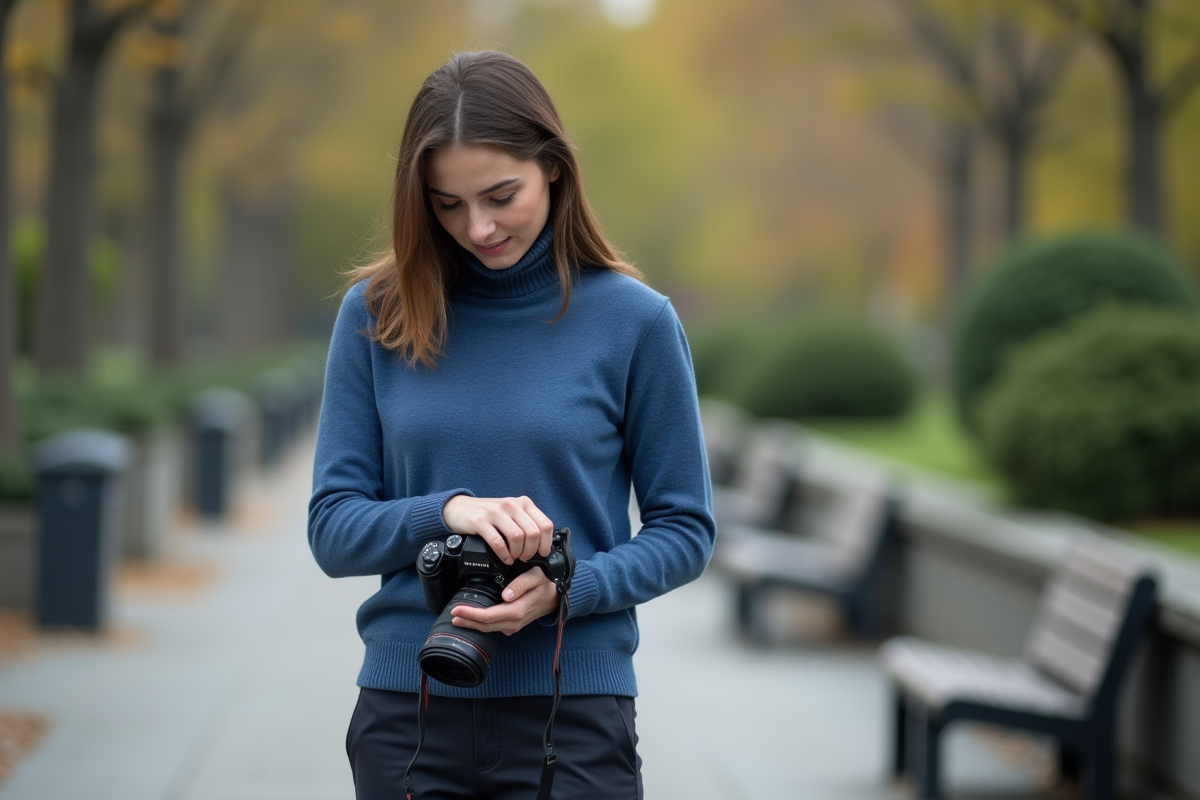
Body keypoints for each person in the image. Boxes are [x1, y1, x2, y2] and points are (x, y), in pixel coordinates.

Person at [308, 50, 715, 800]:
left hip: (574, 709)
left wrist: (572, 586)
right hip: (410, 709)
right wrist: (448, 511)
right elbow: (332, 530)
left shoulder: (637, 323)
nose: (479, 227)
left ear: (554, 167)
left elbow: (685, 530)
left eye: (501, 194)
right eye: (447, 204)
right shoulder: (374, 314)